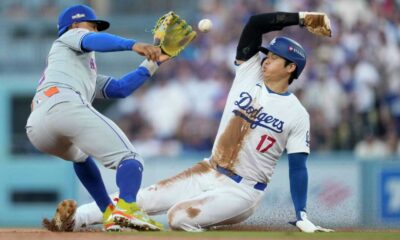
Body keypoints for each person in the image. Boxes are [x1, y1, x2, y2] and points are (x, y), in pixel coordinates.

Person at [44, 11, 333, 233]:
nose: (266, 59)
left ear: (291, 67)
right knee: (143, 199)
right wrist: (303, 19)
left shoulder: (297, 113)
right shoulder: (250, 72)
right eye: (267, 54)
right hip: (209, 168)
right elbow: (256, 24)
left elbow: (298, 167)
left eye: (275, 57)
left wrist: (302, 214)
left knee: (178, 217)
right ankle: (74, 220)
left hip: (243, 190)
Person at [26, 4, 169, 232]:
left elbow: (120, 89)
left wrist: (155, 61)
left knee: (80, 157)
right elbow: (93, 42)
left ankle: (109, 213)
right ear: (74, 26)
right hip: (63, 104)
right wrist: (133, 45)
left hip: (38, 128)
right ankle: (127, 208)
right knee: (130, 158)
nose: (95, 30)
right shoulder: (69, 38)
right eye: (91, 25)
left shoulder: (76, 68)